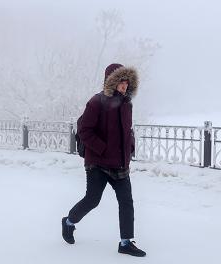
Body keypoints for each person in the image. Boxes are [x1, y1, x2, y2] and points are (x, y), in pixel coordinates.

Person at [62, 63, 146, 257]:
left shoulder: (126, 105)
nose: (125, 86)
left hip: (120, 163)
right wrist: (103, 149)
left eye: (127, 83)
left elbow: (128, 130)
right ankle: (68, 222)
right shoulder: (96, 102)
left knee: (127, 202)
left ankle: (126, 242)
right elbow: (85, 132)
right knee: (92, 200)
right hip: (97, 163)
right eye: (121, 82)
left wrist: (130, 146)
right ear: (112, 81)